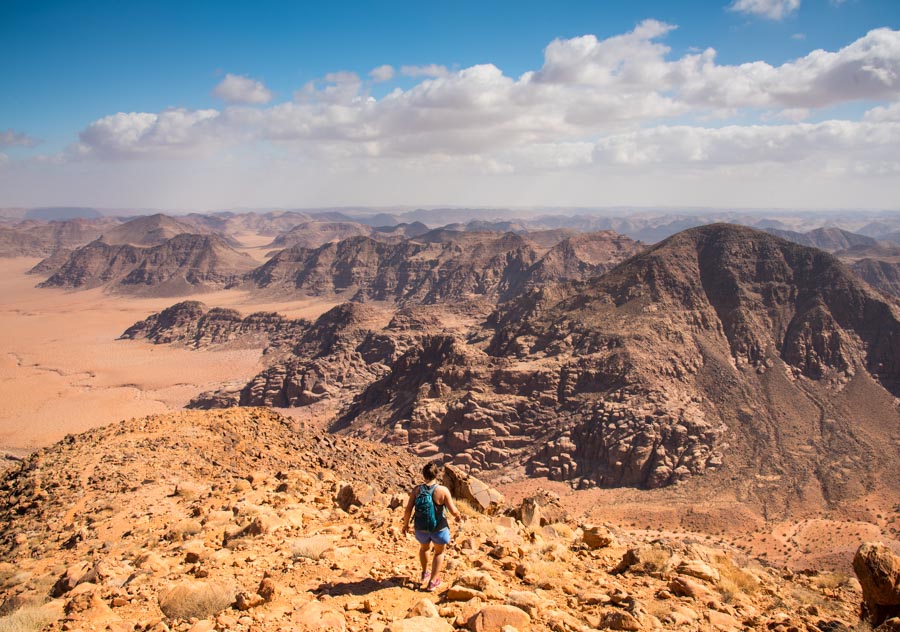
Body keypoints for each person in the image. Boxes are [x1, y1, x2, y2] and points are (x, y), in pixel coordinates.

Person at [402, 461, 463, 591]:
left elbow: (408, 510)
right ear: (437, 474)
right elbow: (453, 510)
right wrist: (458, 517)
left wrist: (405, 525)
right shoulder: (442, 490)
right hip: (439, 528)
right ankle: (433, 582)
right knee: (439, 552)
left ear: (424, 475)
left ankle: (425, 573)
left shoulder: (417, 490)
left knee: (424, 548)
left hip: (420, 528)